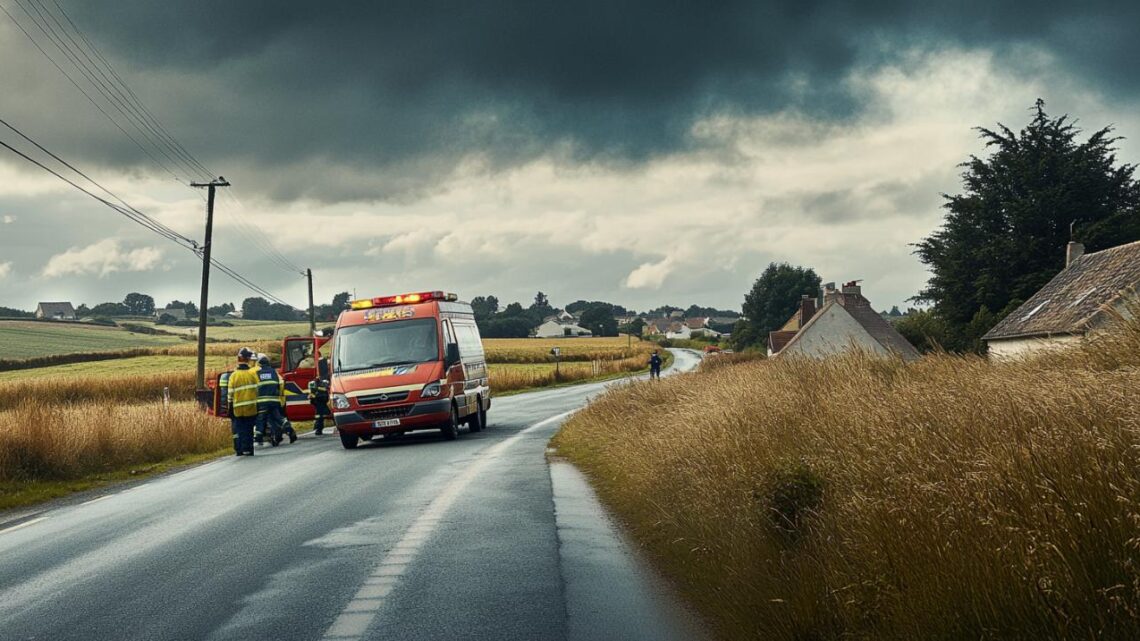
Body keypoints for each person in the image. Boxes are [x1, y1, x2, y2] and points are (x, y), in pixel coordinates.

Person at [226, 347, 260, 456]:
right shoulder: (252, 374)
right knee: (249, 429)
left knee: (240, 429)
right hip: (251, 407)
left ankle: (240, 449)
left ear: (239, 359)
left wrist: (229, 406)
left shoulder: (233, 376)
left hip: (238, 408)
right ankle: (249, 449)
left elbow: (230, 394)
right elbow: (257, 390)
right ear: (248, 359)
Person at [255, 354, 295, 445]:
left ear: (259, 364)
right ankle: (287, 427)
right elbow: (279, 384)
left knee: (261, 419)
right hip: (275, 400)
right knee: (278, 417)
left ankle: (259, 437)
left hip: (262, 401)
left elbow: (255, 387)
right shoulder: (274, 372)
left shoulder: (258, 373)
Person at [308, 363, 331, 436]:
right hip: (319, 401)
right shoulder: (320, 383)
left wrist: (313, 399)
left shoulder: (322, 383)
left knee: (320, 415)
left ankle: (318, 428)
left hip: (320, 401)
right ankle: (318, 428)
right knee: (320, 415)